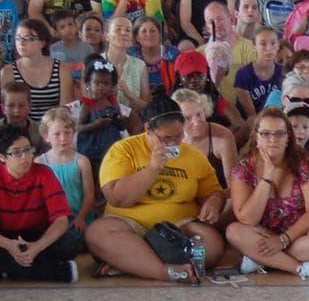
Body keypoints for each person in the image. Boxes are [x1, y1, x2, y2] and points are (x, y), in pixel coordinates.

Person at [84, 96, 227, 282]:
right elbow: (116, 198)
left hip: (177, 228)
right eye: (166, 138)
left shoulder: (192, 154)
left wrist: (214, 202)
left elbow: (213, 191)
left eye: (179, 135)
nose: (174, 143)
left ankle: (133, 262)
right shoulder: (123, 150)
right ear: (148, 130)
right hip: (130, 223)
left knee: (213, 245)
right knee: (97, 233)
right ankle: (165, 271)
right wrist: (152, 169)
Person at [228, 108, 309, 279]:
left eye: (280, 134)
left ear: (288, 138)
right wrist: (266, 177)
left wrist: (282, 241)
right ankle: (299, 268)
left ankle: (263, 259)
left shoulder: (305, 164)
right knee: (234, 231)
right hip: (262, 234)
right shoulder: (243, 169)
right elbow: (247, 219)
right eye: (265, 134)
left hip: (298, 235)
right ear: (256, 137)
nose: (273, 140)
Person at [0, 123, 78, 283]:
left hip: (37, 235)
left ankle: (10, 269)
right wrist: (8, 244)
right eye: (16, 153)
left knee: (69, 244)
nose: (25, 157)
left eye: (28, 150)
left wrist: (37, 247)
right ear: (2, 156)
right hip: (4, 237)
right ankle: (59, 272)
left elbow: (61, 220)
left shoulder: (44, 173)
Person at [36, 107, 95, 242]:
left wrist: (80, 217)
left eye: (67, 133)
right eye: (57, 134)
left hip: (79, 215)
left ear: (74, 133)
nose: (63, 138)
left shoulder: (82, 161)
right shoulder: (40, 162)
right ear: (46, 136)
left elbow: (90, 195)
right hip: (52, 218)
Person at [1, 19, 73, 126]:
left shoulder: (62, 70)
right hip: (19, 129)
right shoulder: (8, 72)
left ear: (43, 42)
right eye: (18, 38)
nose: (21, 42)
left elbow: (64, 110)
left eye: (29, 38)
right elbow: (7, 110)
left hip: (53, 129)